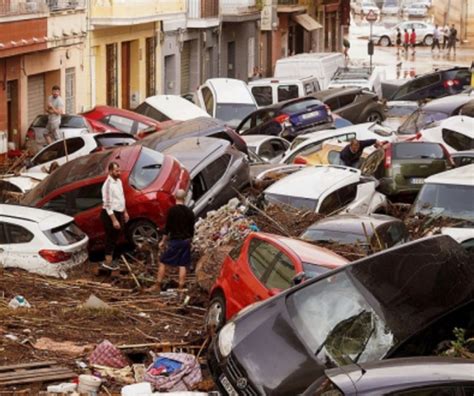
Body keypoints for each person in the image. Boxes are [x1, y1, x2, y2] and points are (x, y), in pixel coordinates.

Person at [156, 189, 195, 292]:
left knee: (163, 261)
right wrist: (189, 241)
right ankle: (180, 288)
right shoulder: (190, 212)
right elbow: (191, 230)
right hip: (186, 241)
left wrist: (162, 242)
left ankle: (158, 285)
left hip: (175, 241)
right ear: (185, 198)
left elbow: (167, 229)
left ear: (175, 198)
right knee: (182, 265)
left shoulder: (172, 211)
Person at [101, 162, 129, 270]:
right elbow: (107, 204)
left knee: (117, 235)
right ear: (111, 171)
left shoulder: (119, 181)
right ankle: (107, 263)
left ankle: (114, 258)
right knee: (110, 238)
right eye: (116, 171)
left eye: (119, 170)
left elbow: (122, 198)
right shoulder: (108, 185)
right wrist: (114, 220)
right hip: (110, 215)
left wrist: (125, 212)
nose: (119, 173)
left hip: (119, 212)